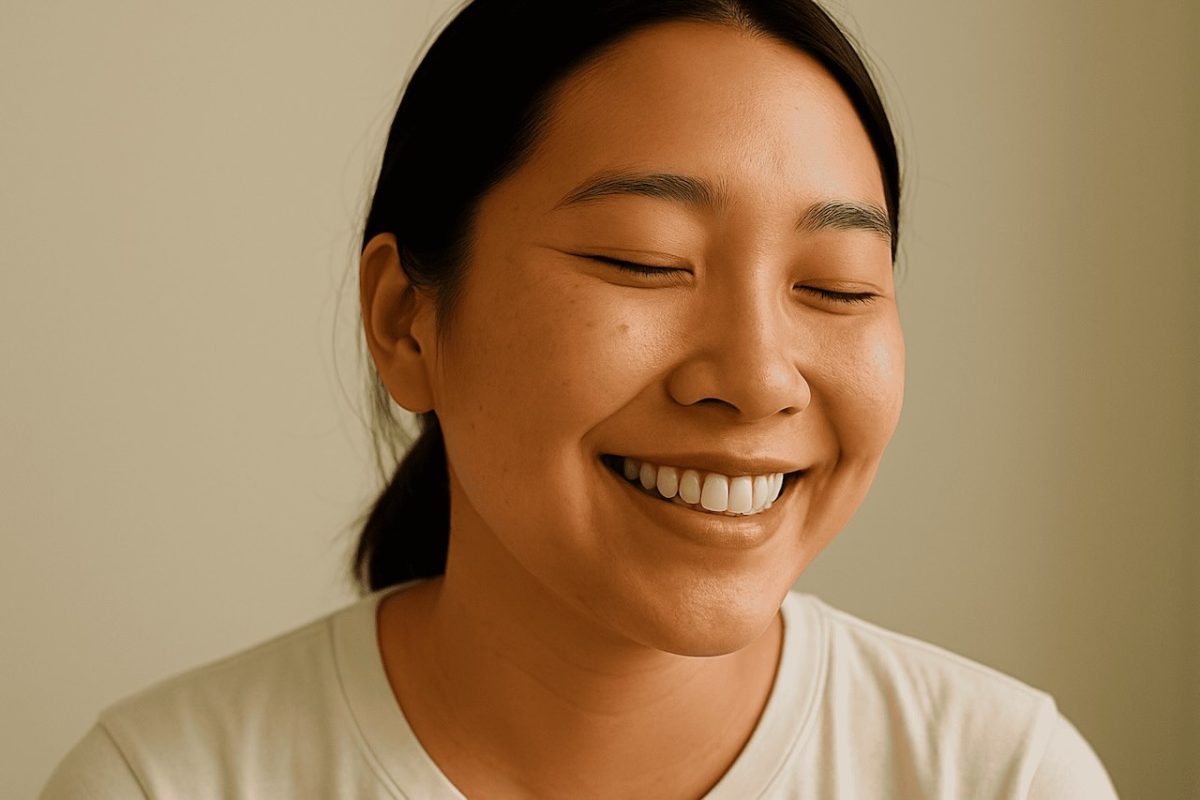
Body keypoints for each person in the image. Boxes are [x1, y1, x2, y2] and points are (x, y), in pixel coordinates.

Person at [41, 0, 1120, 797]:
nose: (754, 376)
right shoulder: (165, 780)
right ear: (405, 320)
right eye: (644, 261)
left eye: (835, 285)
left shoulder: (1000, 773)